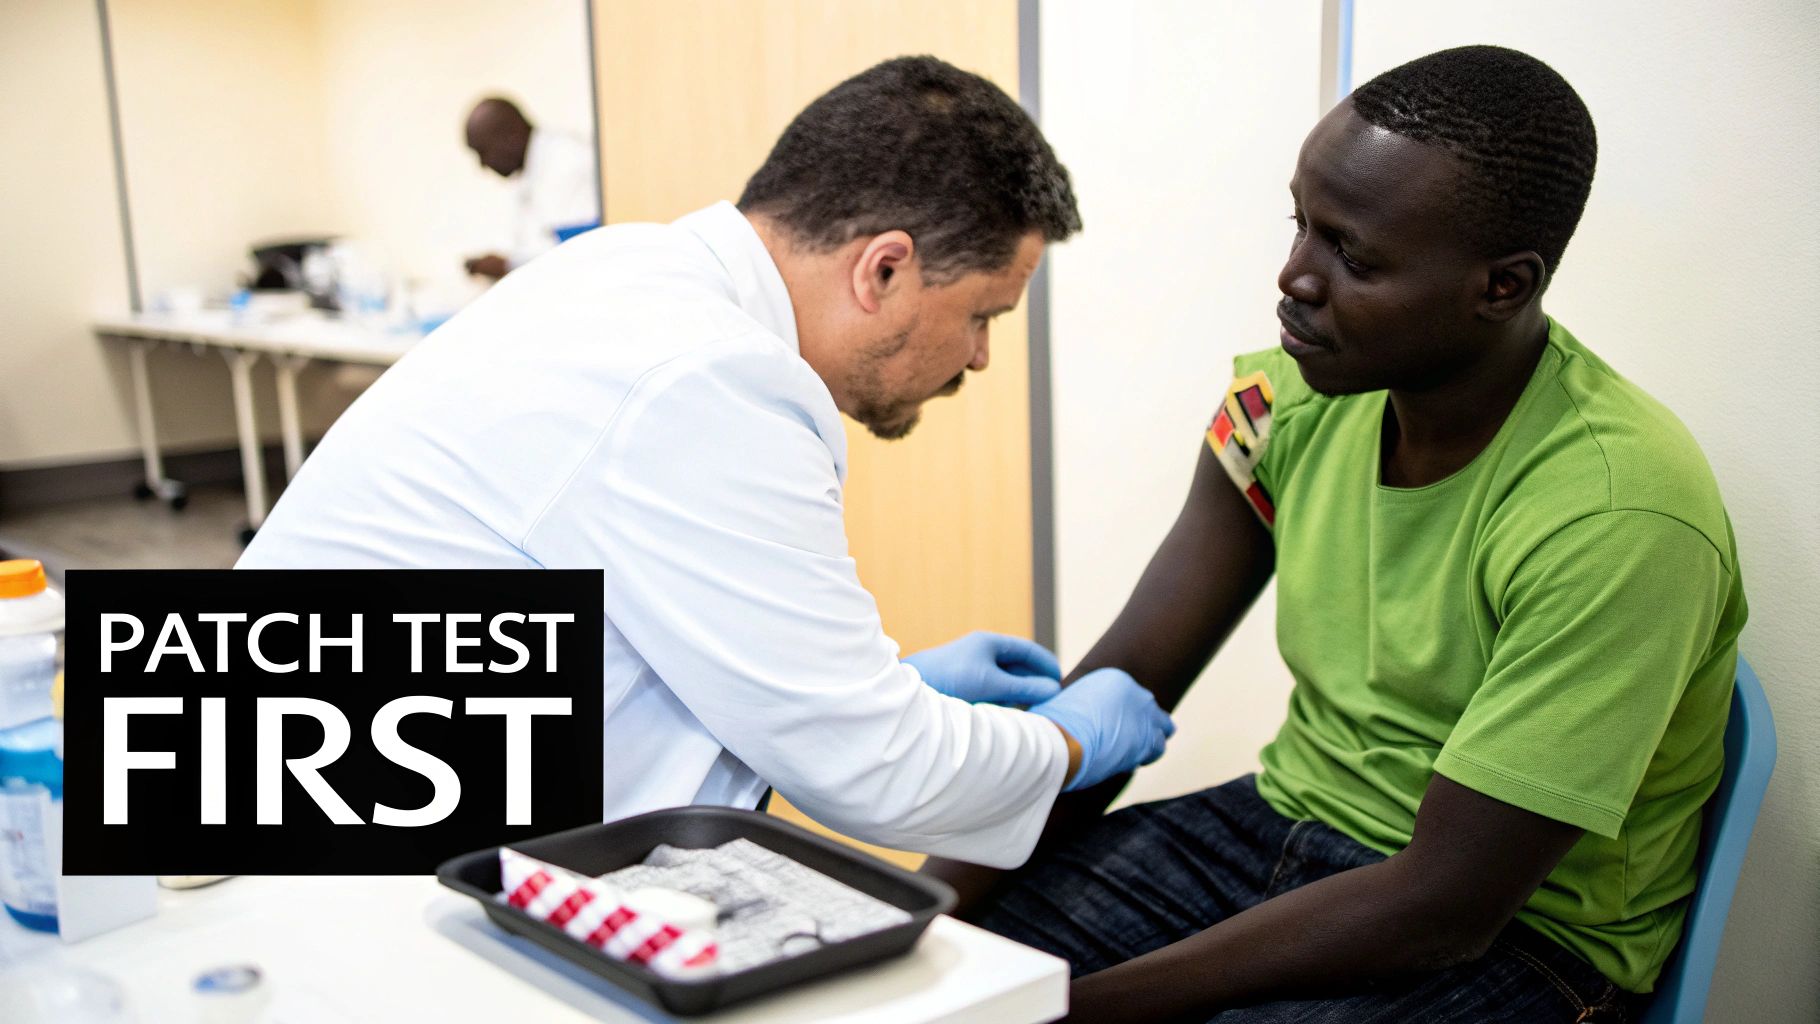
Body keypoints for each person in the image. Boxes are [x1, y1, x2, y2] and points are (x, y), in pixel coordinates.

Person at [929, 45, 1747, 1021]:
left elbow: (1444, 906)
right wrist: (914, 924)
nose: (1293, 278)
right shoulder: (1277, 403)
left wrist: (1071, 1011)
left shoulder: (1617, 514)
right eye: (1300, 225)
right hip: (1274, 825)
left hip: (1522, 936)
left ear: (1500, 285)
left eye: (1351, 256)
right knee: (944, 980)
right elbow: (1124, 683)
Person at [239, 57, 1175, 869]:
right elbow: (877, 771)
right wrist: (1065, 743)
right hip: (331, 864)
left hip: (324, 776)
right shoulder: (708, 380)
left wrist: (882, 691)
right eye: (983, 316)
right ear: (883, 269)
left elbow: (684, 653)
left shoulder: (636, 276)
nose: (977, 358)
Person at [461, 96, 600, 280]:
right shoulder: (533, 169)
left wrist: (507, 265)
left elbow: (579, 252)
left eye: (483, 152)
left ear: (511, 134)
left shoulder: (567, 162)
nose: (483, 164)